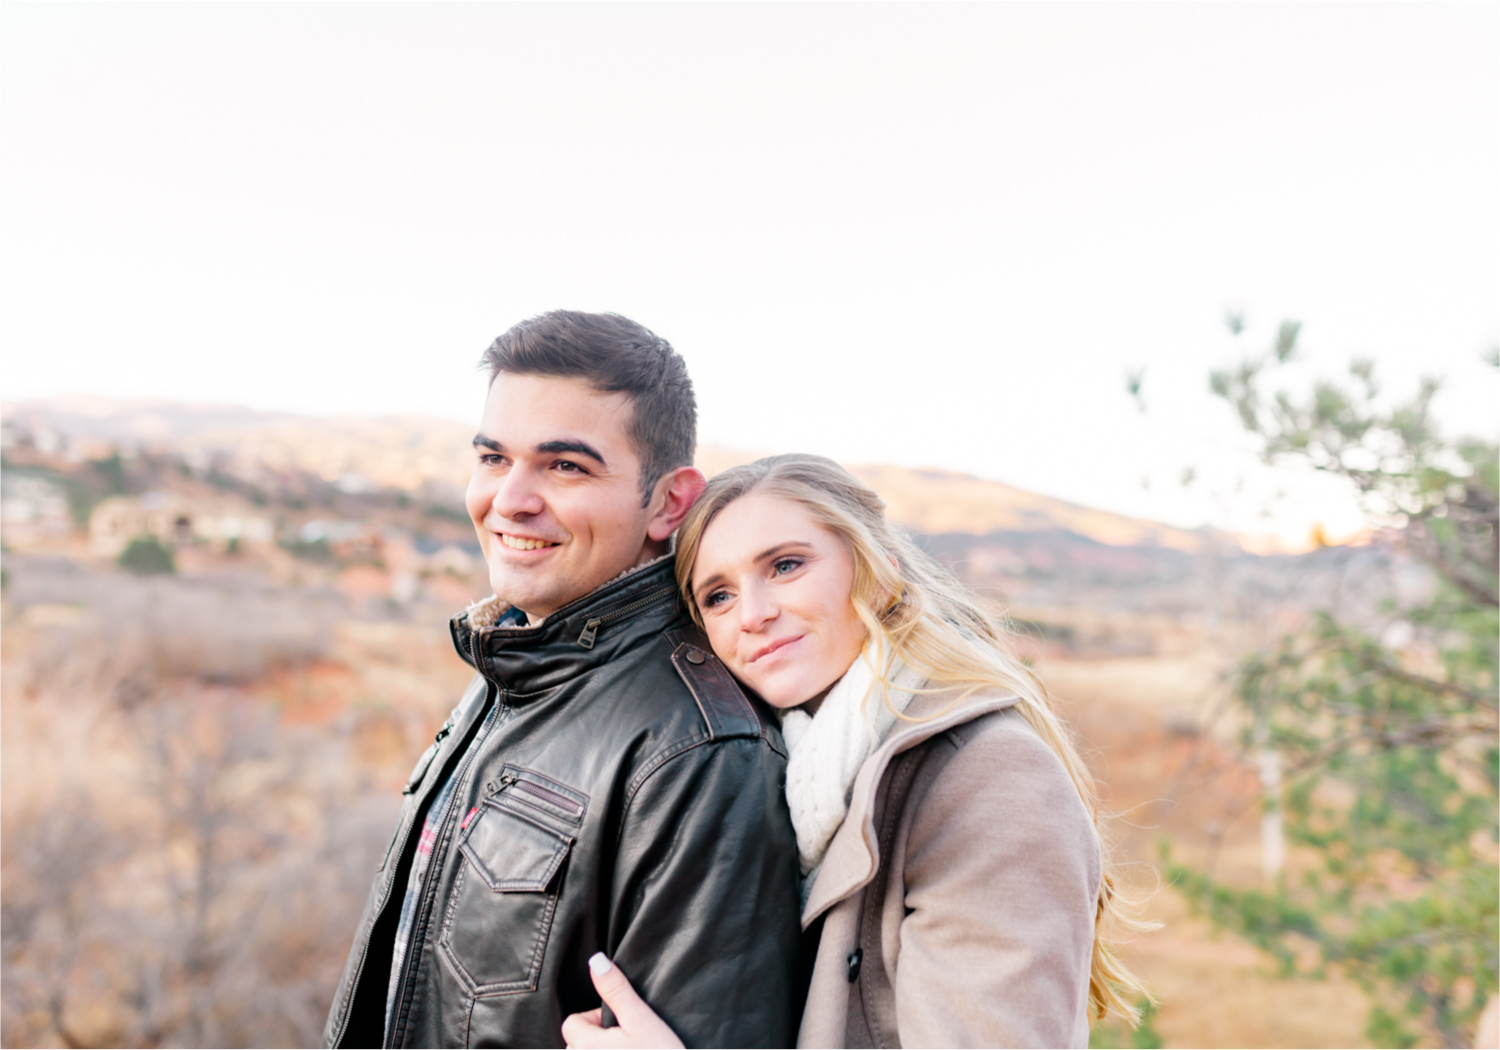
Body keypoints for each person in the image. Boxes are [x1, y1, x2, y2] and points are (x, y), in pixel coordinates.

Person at [323, 313, 803, 1049]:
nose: (509, 500)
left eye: (564, 466)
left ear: (669, 502)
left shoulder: (700, 753)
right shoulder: (515, 662)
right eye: (493, 459)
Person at [562, 454, 1151, 1049]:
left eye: (786, 565)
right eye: (717, 596)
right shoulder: (769, 771)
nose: (754, 614)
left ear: (877, 572)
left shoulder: (987, 776)